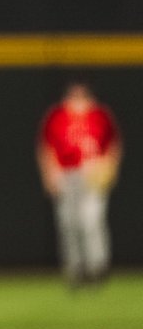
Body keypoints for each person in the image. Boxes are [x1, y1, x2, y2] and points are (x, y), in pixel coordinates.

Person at [36, 82, 122, 286]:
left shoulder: (100, 114)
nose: (78, 98)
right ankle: (75, 269)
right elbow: (45, 147)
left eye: (81, 95)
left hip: (93, 171)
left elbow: (113, 145)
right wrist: (48, 175)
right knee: (68, 223)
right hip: (65, 173)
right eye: (74, 95)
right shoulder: (57, 115)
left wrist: (111, 169)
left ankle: (97, 266)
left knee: (91, 220)